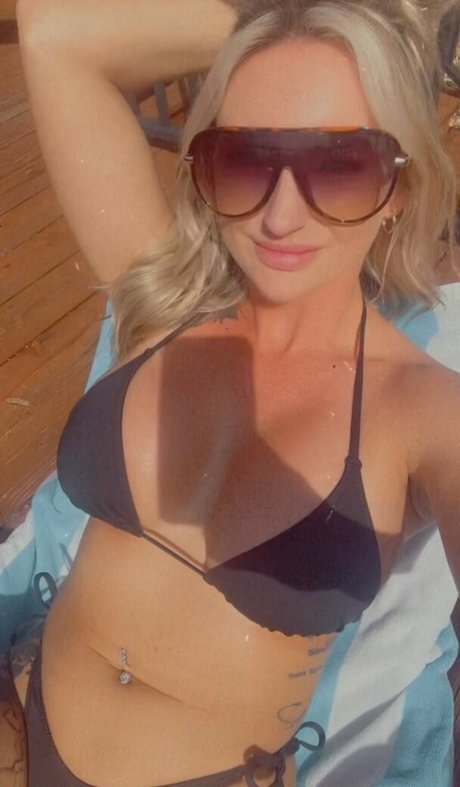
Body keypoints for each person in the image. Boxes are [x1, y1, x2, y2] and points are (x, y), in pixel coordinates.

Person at [9, 0, 460, 785]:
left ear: (397, 188)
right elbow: (54, 34)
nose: (281, 216)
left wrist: (363, 43)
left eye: (341, 165)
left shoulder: (423, 410)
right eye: (245, 157)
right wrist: (293, 27)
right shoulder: (164, 300)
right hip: (20, 714)